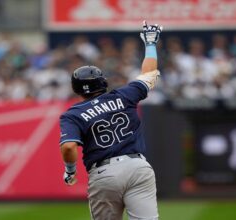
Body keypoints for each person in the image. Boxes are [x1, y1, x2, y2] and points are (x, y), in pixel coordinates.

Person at [59, 21, 162, 220]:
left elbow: (69, 147)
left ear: (76, 88)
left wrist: (70, 171)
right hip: (137, 167)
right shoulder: (124, 95)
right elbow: (150, 75)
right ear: (102, 82)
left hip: (104, 173)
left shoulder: (72, 114)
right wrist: (150, 44)